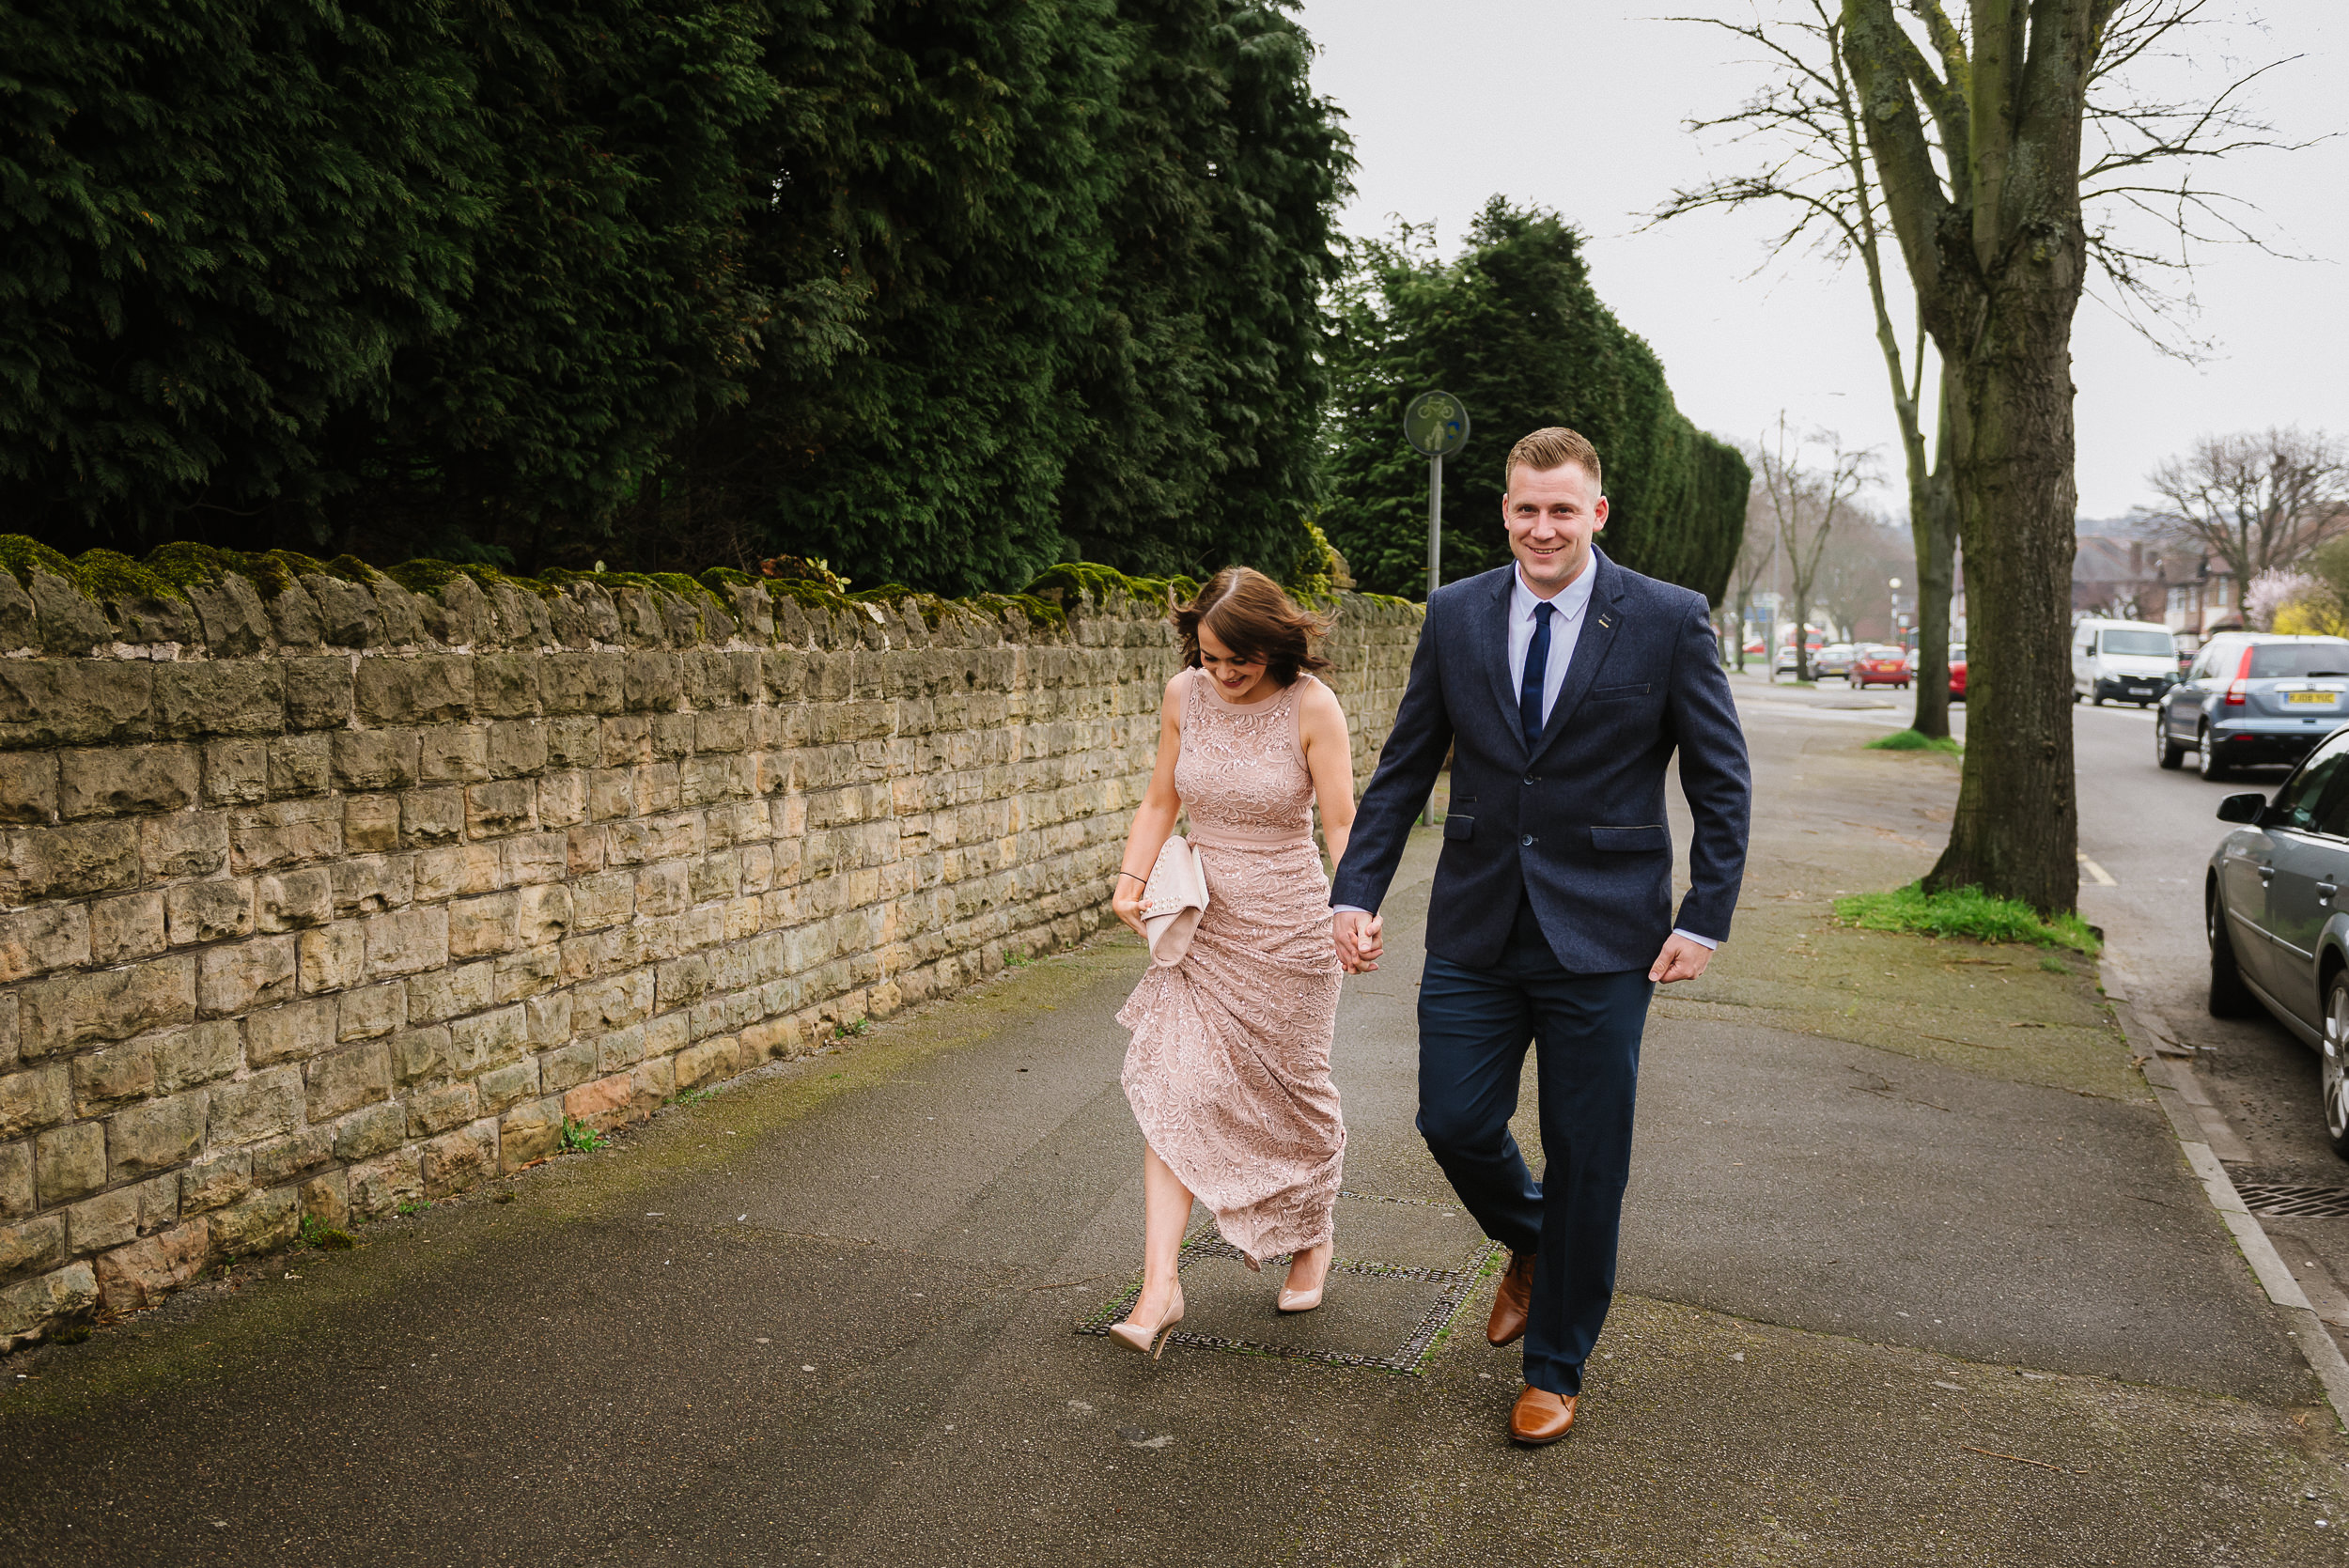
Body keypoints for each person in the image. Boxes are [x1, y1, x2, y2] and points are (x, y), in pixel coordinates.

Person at [1330, 427, 1750, 1442]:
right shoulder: (1456, 612)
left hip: (1608, 934)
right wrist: (1355, 891)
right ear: (1504, 510)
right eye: (1526, 508)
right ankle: (1532, 1241)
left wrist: (1705, 914)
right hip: (1476, 919)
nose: (1542, 527)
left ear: (1595, 513)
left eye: (1562, 509)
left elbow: (1719, 779)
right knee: (1451, 1121)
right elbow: (1402, 769)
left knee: (1588, 1152)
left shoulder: (1664, 619)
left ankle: (1553, 1366)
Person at [1105, 567, 1361, 1358]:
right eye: (1210, 657)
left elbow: (1344, 824)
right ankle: (1160, 1286)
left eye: (1237, 660)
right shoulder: (1184, 695)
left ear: (1274, 645)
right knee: (1176, 1084)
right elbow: (1160, 799)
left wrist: (1354, 915)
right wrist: (1129, 878)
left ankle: (1311, 1235)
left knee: (1296, 1096)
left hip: (1289, 928)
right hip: (1202, 923)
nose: (1222, 674)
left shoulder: (1312, 706)